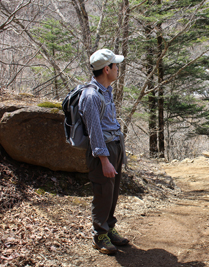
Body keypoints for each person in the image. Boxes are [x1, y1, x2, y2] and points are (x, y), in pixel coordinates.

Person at [79, 49, 128, 255]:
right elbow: (94, 131)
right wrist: (104, 160)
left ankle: (109, 227)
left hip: (113, 146)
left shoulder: (105, 91)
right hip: (103, 152)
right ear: (107, 69)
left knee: (112, 192)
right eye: (116, 66)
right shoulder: (91, 96)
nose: (118, 69)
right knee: (102, 193)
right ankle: (100, 235)